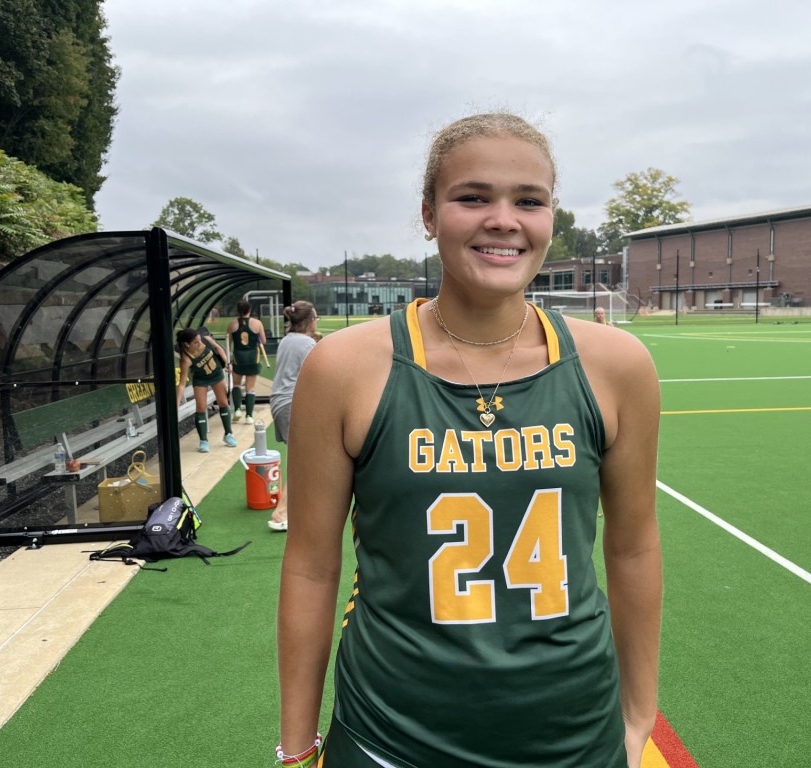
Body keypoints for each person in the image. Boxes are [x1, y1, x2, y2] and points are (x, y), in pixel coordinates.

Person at [277, 113, 662, 768]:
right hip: (390, 738)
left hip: (574, 734)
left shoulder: (616, 365)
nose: (503, 220)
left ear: (552, 216)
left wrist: (638, 714)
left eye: (529, 201)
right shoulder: (343, 368)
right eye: (473, 197)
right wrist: (295, 747)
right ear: (429, 214)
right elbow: (312, 566)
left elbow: (633, 547)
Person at [266, 301, 319, 531]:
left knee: (304, 457)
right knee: (302, 460)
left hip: (280, 401)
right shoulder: (307, 344)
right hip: (293, 402)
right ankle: (281, 512)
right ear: (311, 320)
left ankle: (295, 507)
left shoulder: (288, 340)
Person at [175, 328, 238, 452]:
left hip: (217, 374)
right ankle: (203, 441)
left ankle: (228, 434)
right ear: (187, 344)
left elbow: (218, 348)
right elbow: (182, 384)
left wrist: (227, 363)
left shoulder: (205, 339)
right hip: (201, 380)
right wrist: (176, 404)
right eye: (196, 342)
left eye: (199, 340)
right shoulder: (186, 359)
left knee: (223, 403)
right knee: (201, 408)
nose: (200, 343)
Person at [226, 300, 268, 424]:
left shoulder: (232, 324)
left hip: (238, 358)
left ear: (238, 310)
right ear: (249, 310)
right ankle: (249, 416)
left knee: (236, 384)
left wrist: (228, 361)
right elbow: (264, 341)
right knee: (250, 388)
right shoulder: (257, 323)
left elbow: (228, 344)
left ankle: (237, 410)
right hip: (252, 358)